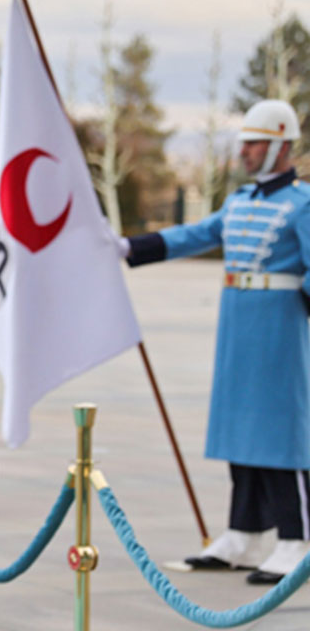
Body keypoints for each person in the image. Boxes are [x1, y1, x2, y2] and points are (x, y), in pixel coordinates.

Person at [123, 98, 310, 585]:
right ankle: (244, 533)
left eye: (255, 143)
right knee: (240, 430)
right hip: (237, 326)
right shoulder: (239, 202)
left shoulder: (303, 204)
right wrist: (128, 247)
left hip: (279, 330)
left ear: (282, 145)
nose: (245, 151)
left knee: (282, 435)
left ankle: (297, 539)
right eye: (245, 142)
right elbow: (194, 235)